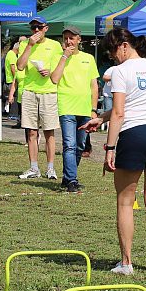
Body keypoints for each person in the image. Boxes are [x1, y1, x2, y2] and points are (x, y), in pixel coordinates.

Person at [82, 28, 146, 275]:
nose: (112, 57)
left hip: (134, 135)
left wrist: (109, 148)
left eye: (112, 51)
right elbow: (140, 104)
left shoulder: (121, 72)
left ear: (124, 46)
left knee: (125, 202)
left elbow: (121, 112)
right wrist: (101, 119)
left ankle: (126, 263)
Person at [49, 25, 99, 192]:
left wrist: (93, 109)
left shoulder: (88, 58)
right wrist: (64, 57)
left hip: (84, 108)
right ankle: (72, 180)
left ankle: (67, 177)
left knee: (79, 145)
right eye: (66, 38)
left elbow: (94, 86)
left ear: (79, 39)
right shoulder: (57, 56)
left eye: (72, 38)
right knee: (69, 145)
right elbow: (54, 79)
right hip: (67, 106)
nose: (68, 41)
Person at [16, 17, 62, 179]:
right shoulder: (24, 44)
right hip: (29, 92)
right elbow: (20, 66)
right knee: (31, 133)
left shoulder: (54, 45)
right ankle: (34, 168)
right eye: (33, 28)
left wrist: (49, 71)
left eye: (39, 27)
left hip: (48, 92)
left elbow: (59, 68)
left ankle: (51, 168)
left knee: (49, 132)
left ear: (46, 29)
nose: (36, 31)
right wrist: (29, 45)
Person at [4, 39, 22, 123]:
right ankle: (13, 115)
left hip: (10, 79)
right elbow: (12, 68)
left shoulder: (10, 54)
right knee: (14, 98)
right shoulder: (12, 55)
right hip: (11, 79)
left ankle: (12, 114)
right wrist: (17, 76)